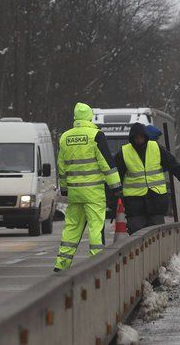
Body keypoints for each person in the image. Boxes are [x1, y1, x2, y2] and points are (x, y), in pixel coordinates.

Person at [54, 103, 120, 272]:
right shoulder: (96, 135)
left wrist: (64, 188)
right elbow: (106, 163)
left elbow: (61, 165)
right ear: (90, 117)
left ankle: (61, 264)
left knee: (71, 228)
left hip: (75, 193)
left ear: (75, 118)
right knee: (95, 228)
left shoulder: (65, 137)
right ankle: (97, 263)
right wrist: (116, 186)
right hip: (93, 193)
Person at [115, 122, 180, 233]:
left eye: (141, 137)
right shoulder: (124, 153)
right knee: (136, 234)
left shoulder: (156, 148)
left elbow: (174, 166)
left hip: (156, 201)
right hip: (134, 204)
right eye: (136, 138)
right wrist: (113, 196)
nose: (139, 140)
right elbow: (115, 176)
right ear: (132, 138)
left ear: (146, 136)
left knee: (155, 234)